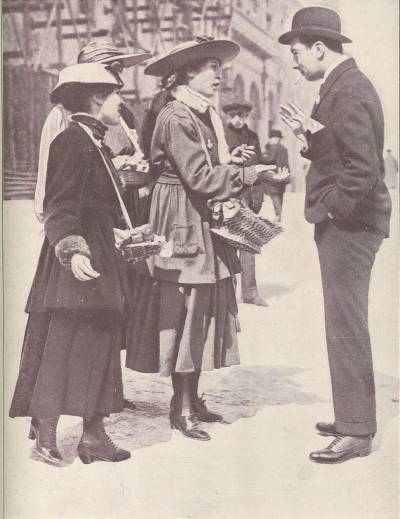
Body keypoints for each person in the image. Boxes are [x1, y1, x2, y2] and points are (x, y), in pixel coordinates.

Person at [125, 36, 261, 441]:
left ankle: (191, 397)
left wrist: (230, 164)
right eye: (211, 70)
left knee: (204, 304)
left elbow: (202, 170)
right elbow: (199, 178)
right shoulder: (176, 115)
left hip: (196, 213)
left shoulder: (198, 113)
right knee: (187, 305)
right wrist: (250, 175)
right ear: (187, 74)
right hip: (182, 216)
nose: (219, 77)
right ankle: (180, 405)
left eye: (219, 70)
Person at [279, 6, 391, 463]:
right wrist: (311, 138)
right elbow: (344, 153)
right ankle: (352, 414)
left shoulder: (346, 90)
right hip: (352, 223)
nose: (294, 62)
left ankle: (356, 431)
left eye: (298, 52)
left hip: (350, 225)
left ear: (320, 48)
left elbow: (363, 169)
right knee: (343, 322)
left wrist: (330, 211)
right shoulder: (344, 85)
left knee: (345, 324)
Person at [9, 63, 135, 465]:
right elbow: (59, 204)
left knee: (99, 343)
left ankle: (94, 436)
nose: (122, 102)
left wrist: (119, 233)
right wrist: (73, 249)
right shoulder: (70, 141)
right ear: (97, 98)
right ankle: (45, 438)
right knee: (62, 345)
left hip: (97, 251)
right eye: (117, 94)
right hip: (75, 260)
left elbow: (95, 204)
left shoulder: (94, 141)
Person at [34, 40, 151, 222]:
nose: (117, 78)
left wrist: (134, 164)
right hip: (87, 209)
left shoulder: (123, 113)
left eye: (118, 71)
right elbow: (51, 171)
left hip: (125, 200)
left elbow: (134, 150)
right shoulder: (62, 114)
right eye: (110, 70)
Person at [222, 99, 268, 306]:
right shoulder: (221, 136)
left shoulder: (252, 137)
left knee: (249, 244)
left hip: (248, 197)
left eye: (241, 115)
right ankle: (227, 293)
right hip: (228, 195)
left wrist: (257, 197)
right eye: (233, 116)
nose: (237, 119)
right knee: (227, 245)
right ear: (227, 117)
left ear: (247, 116)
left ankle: (250, 293)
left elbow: (256, 168)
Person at [262, 129, 291, 222]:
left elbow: (270, 159)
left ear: (273, 138)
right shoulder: (283, 148)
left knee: (274, 194)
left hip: (275, 175)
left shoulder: (274, 147)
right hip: (284, 174)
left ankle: (278, 215)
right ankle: (279, 214)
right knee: (280, 195)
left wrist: (261, 157)